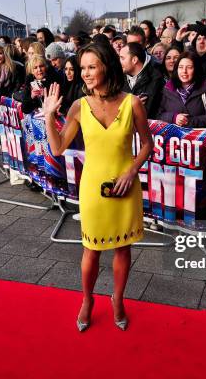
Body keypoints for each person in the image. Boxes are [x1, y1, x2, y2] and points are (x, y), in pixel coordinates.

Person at [42, 42, 154, 332]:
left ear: (106, 65)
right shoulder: (79, 106)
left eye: (92, 66)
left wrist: (131, 171)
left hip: (124, 187)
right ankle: (88, 300)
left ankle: (118, 299)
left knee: (122, 247)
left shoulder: (133, 103)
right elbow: (57, 148)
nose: (86, 73)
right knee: (91, 248)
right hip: (92, 188)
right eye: (83, 68)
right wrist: (48, 117)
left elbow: (147, 145)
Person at [158, 51, 206, 128]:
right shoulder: (168, 88)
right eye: (180, 67)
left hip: (200, 138)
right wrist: (173, 118)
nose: (184, 71)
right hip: (174, 138)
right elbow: (158, 114)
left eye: (189, 67)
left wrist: (189, 121)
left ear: (196, 69)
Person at [119, 42, 165, 119]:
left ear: (134, 60)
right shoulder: (119, 77)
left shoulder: (155, 78)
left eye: (122, 58)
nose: (119, 61)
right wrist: (131, 103)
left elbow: (147, 111)